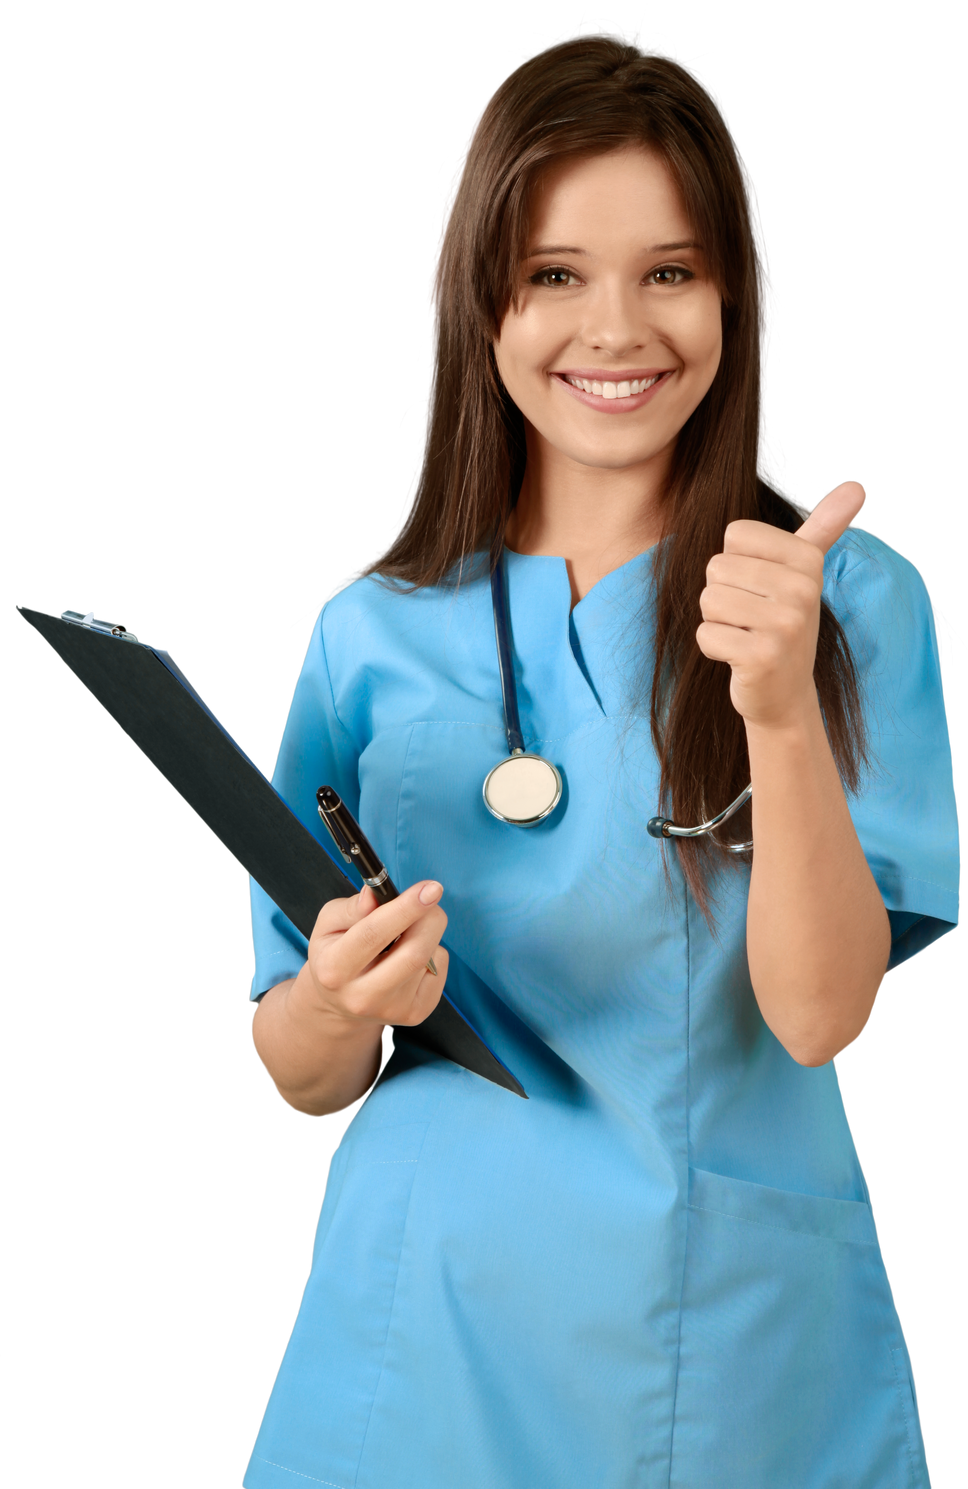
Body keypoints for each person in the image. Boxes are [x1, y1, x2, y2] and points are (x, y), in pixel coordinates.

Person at [241, 14, 958, 1487]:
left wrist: (773, 710)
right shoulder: (374, 632)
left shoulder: (844, 600)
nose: (616, 331)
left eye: (671, 274)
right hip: (409, 1341)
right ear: (478, 305)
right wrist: (340, 996)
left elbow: (821, 1016)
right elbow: (299, 1069)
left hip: (709, 1343)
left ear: (741, 296)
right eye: (555, 277)